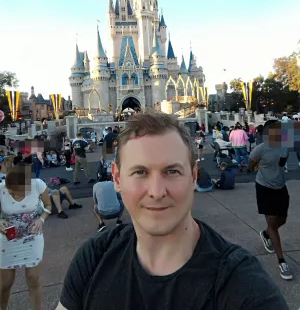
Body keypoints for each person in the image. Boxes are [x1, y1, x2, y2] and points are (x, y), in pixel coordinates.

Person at [57, 111, 288, 310]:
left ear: (194, 176)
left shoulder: (241, 284)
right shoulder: (94, 258)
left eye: (172, 171)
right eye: (140, 172)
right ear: (117, 177)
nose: (157, 192)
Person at [0, 163, 51, 310]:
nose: (14, 195)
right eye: (11, 192)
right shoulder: (1, 188)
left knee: (33, 279)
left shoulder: (38, 185)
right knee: (5, 283)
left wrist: (41, 219)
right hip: (7, 239)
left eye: (18, 192)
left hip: (32, 237)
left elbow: (48, 206)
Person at [249, 120, 292, 280]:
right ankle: (282, 262)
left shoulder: (284, 147)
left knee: (282, 220)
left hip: (280, 187)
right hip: (264, 187)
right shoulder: (260, 149)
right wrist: (252, 168)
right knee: (273, 222)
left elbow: (282, 163)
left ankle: (266, 233)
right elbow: (252, 162)